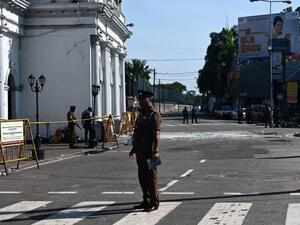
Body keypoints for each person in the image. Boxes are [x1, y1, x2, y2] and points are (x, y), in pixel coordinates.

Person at [129, 90, 161, 211]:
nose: (140, 102)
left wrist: (156, 151)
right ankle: (146, 200)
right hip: (140, 152)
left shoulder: (154, 115)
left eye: (143, 100)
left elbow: (157, 135)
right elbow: (137, 132)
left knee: (151, 177)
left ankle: (154, 201)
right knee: (142, 177)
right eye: (140, 100)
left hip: (150, 152)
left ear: (149, 100)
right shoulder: (141, 114)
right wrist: (133, 148)